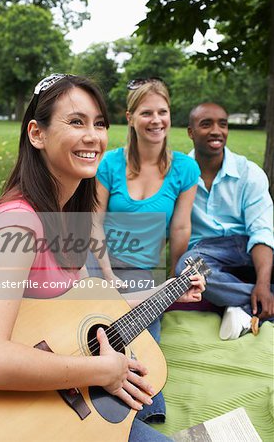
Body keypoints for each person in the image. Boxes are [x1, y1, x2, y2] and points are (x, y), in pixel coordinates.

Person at [0, 74, 205, 442]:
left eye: (99, 124)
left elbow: (95, 308)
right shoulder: (16, 223)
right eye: (76, 122)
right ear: (36, 134)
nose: (93, 136)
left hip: (64, 404)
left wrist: (168, 291)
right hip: (17, 419)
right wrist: (98, 371)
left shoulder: (70, 221)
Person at [86, 77, 203, 425]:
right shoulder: (109, 164)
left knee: (140, 337)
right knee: (88, 322)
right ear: (131, 117)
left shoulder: (184, 168)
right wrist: (106, 277)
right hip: (98, 260)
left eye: (162, 112)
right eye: (147, 112)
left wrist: (173, 281)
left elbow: (181, 228)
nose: (156, 120)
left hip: (141, 271)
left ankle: (134, 415)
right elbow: (93, 223)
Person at [176, 102, 274, 341]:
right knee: (187, 268)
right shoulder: (178, 174)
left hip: (248, 245)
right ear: (190, 132)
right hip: (207, 252)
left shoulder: (249, 172)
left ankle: (247, 303)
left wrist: (262, 282)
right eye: (206, 124)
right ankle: (257, 303)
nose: (216, 131)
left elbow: (261, 231)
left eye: (223, 124)